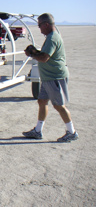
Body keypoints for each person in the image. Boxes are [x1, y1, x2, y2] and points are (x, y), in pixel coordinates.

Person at [22, 13, 78, 142]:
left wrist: (32, 54)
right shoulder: (51, 37)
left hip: (54, 77)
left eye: (40, 25)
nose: (39, 28)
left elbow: (44, 58)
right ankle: (38, 130)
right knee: (42, 101)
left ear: (46, 24)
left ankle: (72, 132)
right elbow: (46, 54)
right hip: (48, 78)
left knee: (59, 105)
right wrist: (35, 52)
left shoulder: (52, 38)